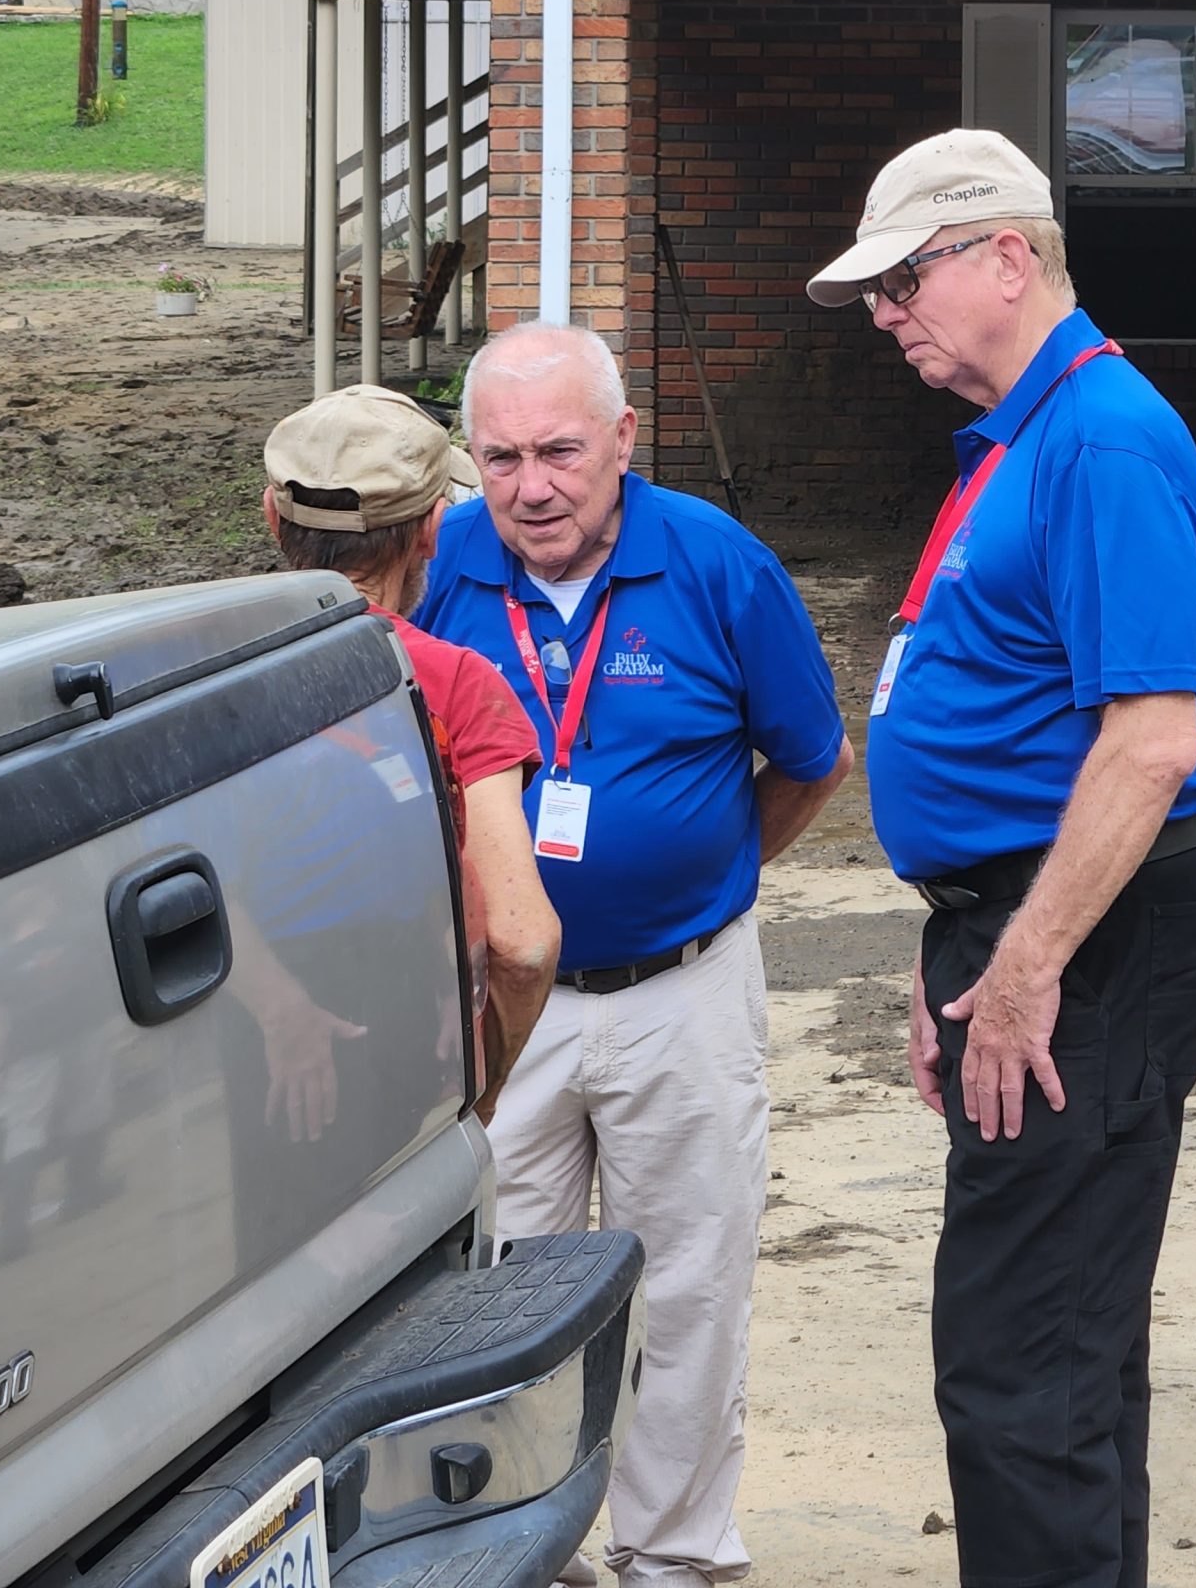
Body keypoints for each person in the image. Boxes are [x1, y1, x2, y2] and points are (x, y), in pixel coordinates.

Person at [805, 131, 1196, 1588]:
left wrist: (1021, 966)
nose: (885, 314)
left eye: (904, 278)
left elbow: (1151, 744)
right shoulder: (1029, 435)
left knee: (1020, 1362)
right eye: (875, 291)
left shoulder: (1100, 439)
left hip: (1089, 943)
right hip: (1030, 925)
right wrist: (961, 942)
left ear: (1009, 256)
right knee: (1060, 1346)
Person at [412, 322, 852, 1588]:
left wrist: (704, 879)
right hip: (502, 1004)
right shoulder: (444, 563)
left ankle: (672, 1555)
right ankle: (520, 1550)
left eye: (557, 451)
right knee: (497, 1292)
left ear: (621, 440)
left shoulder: (716, 563)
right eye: (497, 458)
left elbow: (811, 758)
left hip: (682, 994)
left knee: (688, 1287)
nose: (530, 487)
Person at [262, 383, 561, 1119]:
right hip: (405, 1060)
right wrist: (483, 1082)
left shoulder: (192, 666)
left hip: (252, 1059)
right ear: (432, 529)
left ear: (273, 518)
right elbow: (522, 943)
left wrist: (277, 1007)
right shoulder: (455, 682)